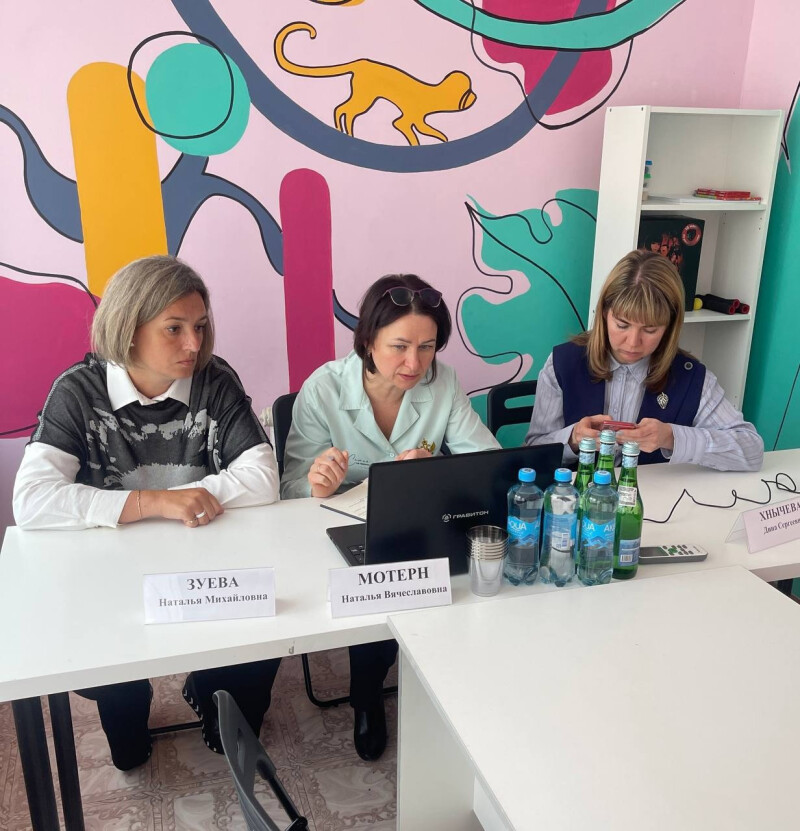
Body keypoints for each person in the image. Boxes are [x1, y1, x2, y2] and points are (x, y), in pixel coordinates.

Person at [12, 255, 282, 770]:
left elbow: (262, 477)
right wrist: (154, 502)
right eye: (174, 328)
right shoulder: (78, 390)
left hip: (207, 561)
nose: (194, 344)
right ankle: (131, 700)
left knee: (255, 660)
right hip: (110, 574)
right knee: (127, 752)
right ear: (128, 330)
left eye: (200, 326)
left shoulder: (214, 380)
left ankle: (210, 687)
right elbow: (31, 500)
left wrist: (188, 498)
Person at [280, 273, 499, 760]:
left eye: (427, 347)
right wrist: (316, 483)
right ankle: (366, 695)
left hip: (413, 524)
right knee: (382, 578)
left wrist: (434, 471)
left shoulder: (443, 382)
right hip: (336, 529)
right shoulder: (324, 388)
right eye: (399, 347)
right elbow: (287, 488)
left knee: (477, 571)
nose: (414, 364)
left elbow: (485, 462)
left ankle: (437, 688)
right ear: (367, 341)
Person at [525, 249, 764, 471]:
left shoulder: (690, 377)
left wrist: (672, 437)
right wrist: (573, 438)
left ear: (669, 326)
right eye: (622, 325)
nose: (633, 343)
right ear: (605, 313)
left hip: (657, 499)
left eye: (650, 330)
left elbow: (752, 451)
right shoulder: (564, 363)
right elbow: (532, 451)